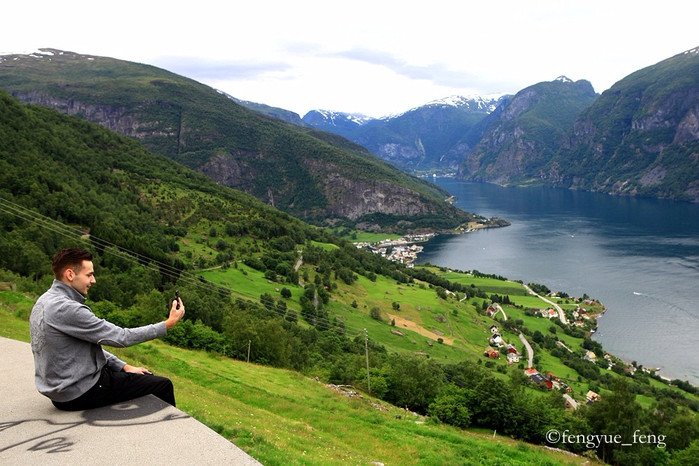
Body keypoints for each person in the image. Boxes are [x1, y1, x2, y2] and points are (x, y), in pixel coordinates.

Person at [29, 247, 185, 411]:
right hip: (80, 392)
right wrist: (168, 324)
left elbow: (84, 346)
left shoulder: (44, 301)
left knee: (140, 376)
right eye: (89, 275)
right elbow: (121, 337)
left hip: (62, 390)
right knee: (162, 385)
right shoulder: (67, 309)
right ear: (70, 275)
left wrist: (123, 366)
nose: (93, 280)